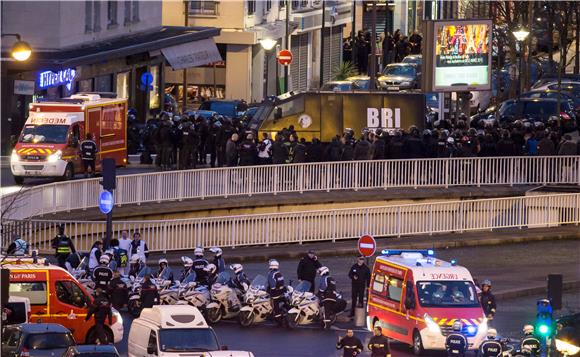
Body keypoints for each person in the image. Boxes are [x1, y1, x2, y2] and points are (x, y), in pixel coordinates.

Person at [267, 259, 287, 325]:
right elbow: (282, 282)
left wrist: (270, 290)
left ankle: (278, 319)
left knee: (275, 305)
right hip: (282, 291)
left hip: (275, 292)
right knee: (284, 301)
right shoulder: (279, 273)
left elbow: (272, 285)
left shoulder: (271, 274)